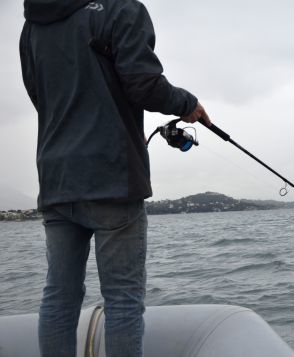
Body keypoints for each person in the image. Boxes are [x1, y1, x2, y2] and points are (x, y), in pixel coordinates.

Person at [19, 0, 210, 355]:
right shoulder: (122, 9)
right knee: (123, 299)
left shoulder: (32, 25)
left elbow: (38, 95)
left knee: (59, 297)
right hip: (113, 178)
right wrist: (187, 104)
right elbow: (144, 85)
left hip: (57, 180)